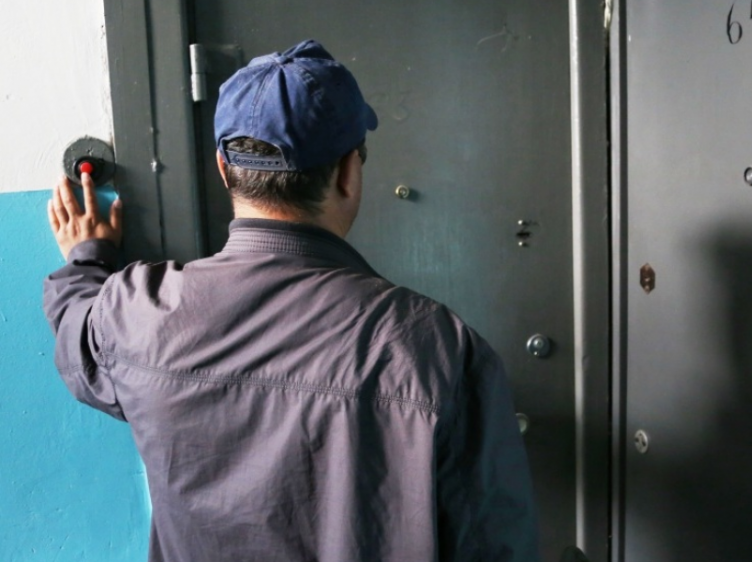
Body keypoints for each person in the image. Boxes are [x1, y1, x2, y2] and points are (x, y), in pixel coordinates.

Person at [43, 40, 538, 562]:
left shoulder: (138, 312)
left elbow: (77, 331)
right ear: (348, 172)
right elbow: (495, 544)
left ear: (223, 168)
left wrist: (87, 255)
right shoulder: (439, 348)